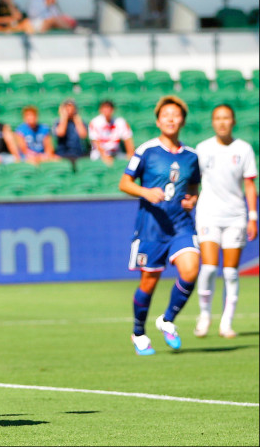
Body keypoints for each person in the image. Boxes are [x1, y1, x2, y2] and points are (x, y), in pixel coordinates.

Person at [119, 95, 200, 356]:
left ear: (182, 121)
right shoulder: (146, 150)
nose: (171, 119)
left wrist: (192, 199)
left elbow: (193, 185)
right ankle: (139, 333)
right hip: (151, 227)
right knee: (149, 281)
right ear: (158, 120)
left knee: (190, 270)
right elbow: (124, 183)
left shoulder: (191, 155)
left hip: (180, 225)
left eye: (175, 115)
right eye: (166, 115)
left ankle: (167, 320)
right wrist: (145, 192)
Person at [193, 104, 258, 339]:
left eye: (226, 118)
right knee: (209, 267)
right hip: (208, 214)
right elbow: (193, 182)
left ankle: (226, 322)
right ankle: (204, 315)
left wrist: (252, 216)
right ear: (212, 122)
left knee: (230, 272)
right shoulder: (203, 149)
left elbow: (250, 184)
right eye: (218, 118)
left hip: (235, 216)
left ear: (233, 121)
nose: (222, 122)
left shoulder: (244, 149)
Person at [88, 99, 135, 165]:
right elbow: (96, 142)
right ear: (100, 110)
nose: (107, 110)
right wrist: (105, 156)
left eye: (109, 108)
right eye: (105, 108)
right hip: (99, 155)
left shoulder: (120, 121)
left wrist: (130, 154)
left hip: (116, 153)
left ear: (113, 110)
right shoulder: (95, 122)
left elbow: (128, 139)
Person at [52, 98, 88, 162]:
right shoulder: (58, 122)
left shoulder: (80, 122)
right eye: (67, 108)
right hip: (62, 154)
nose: (69, 110)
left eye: (71, 107)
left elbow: (83, 135)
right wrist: (64, 117)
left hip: (78, 154)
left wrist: (77, 119)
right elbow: (61, 133)